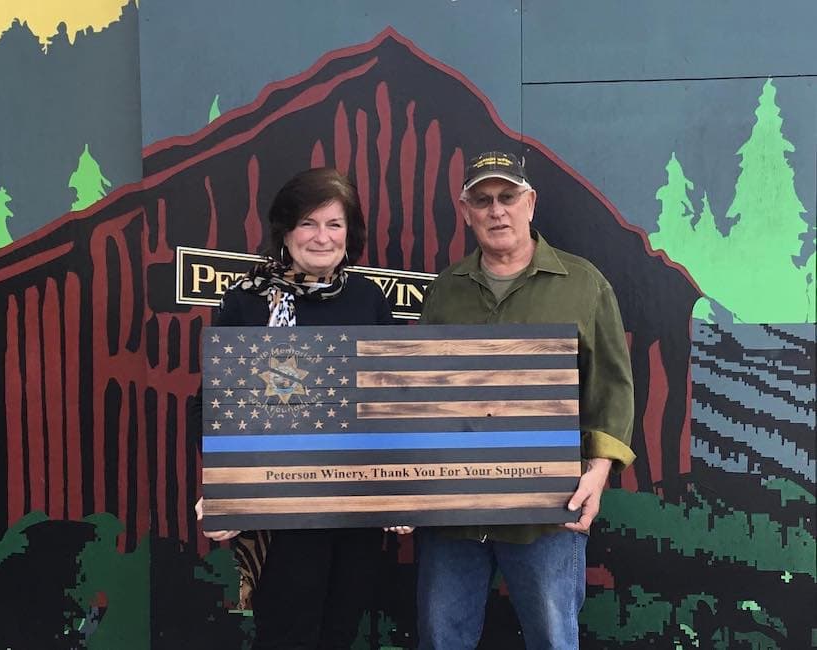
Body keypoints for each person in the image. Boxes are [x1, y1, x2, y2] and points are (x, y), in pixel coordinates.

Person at [416, 151, 635, 649]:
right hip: (454, 510)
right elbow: (420, 393)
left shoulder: (583, 284)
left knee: (553, 638)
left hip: (547, 507)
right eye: (483, 199)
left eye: (508, 197)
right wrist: (412, 482)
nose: (497, 210)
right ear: (466, 210)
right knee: (440, 637)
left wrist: (597, 474)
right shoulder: (446, 290)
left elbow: (613, 385)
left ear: (530, 203)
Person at [194, 167, 410, 650]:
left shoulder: (368, 300)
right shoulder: (246, 304)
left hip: (355, 508)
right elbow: (213, 404)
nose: (321, 237)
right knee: (287, 635)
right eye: (309, 223)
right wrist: (222, 487)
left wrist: (401, 488)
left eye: (334, 224)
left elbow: (393, 401)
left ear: (349, 235)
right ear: (286, 230)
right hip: (280, 508)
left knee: (339, 632)